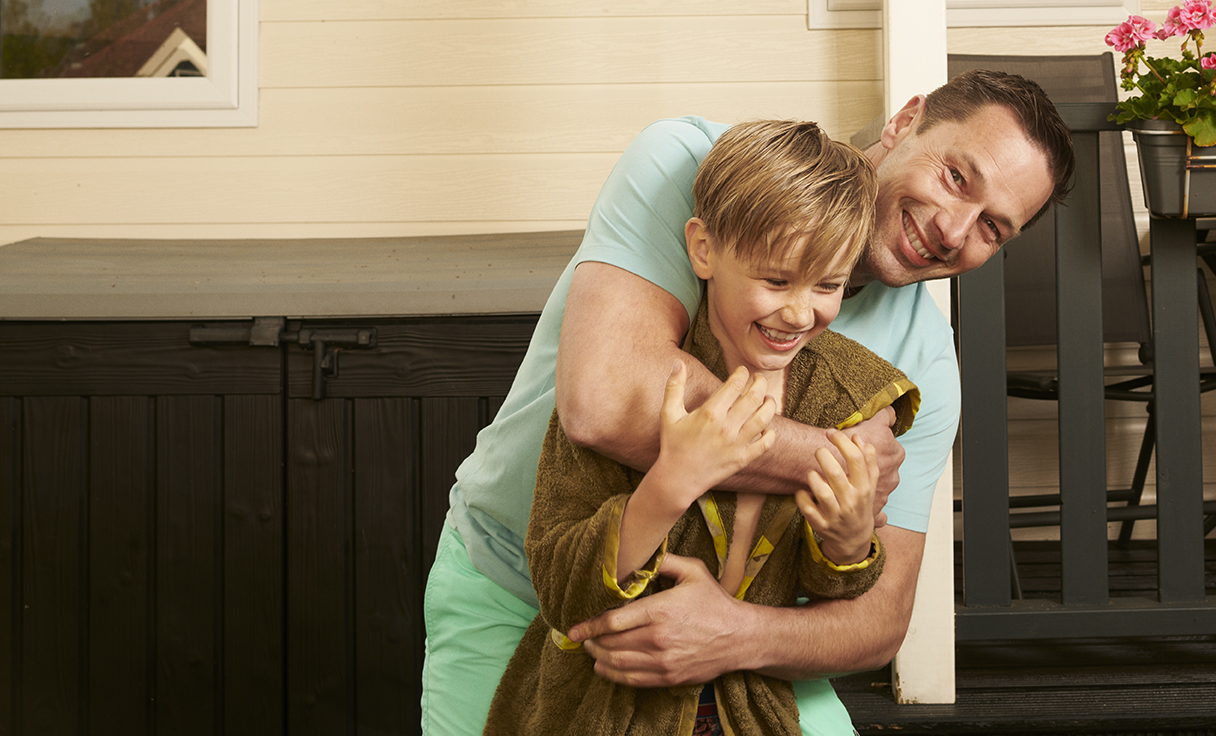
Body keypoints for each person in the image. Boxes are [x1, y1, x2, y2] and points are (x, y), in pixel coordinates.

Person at [423, 70, 1074, 736]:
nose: (952, 226)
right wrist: (837, 458)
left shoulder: (920, 363)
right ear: (905, 120)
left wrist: (737, 632)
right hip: (518, 588)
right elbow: (607, 397)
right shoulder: (689, 166)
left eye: (993, 227)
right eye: (958, 177)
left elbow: (877, 619)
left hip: (729, 638)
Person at [484, 120, 917, 735]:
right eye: (776, 280)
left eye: (829, 285)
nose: (800, 312)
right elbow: (563, 597)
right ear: (704, 249)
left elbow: (830, 590)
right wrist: (670, 482)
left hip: (748, 710)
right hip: (600, 707)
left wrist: (848, 543)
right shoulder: (646, 383)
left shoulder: (849, 399)